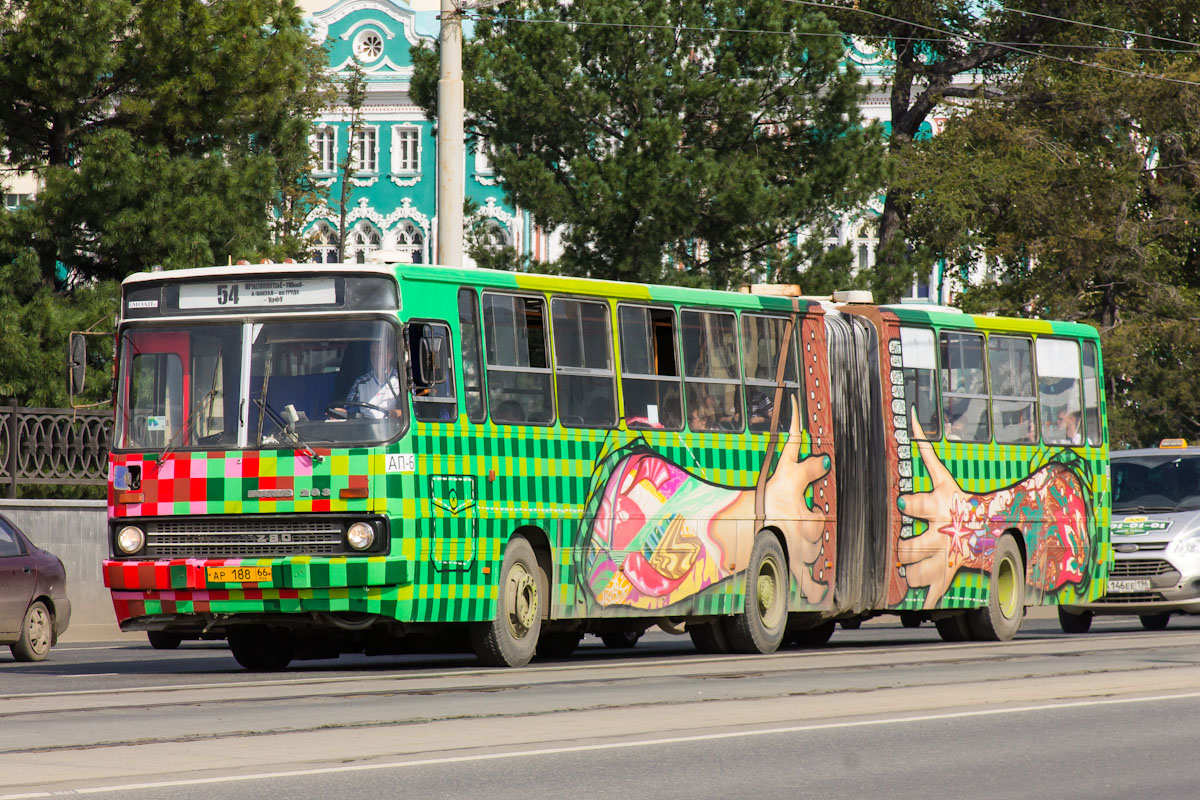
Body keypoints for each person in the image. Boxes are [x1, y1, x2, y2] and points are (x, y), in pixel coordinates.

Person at [335, 339, 400, 419]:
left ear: (390, 355)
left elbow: (409, 411)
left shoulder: (400, 381)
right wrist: (343, 413)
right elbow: (350, 408)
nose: (375, 357)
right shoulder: (361, 382)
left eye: (379, 353)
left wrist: (395, 413)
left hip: (394, 429)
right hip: (364, 427)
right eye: (372, 353)